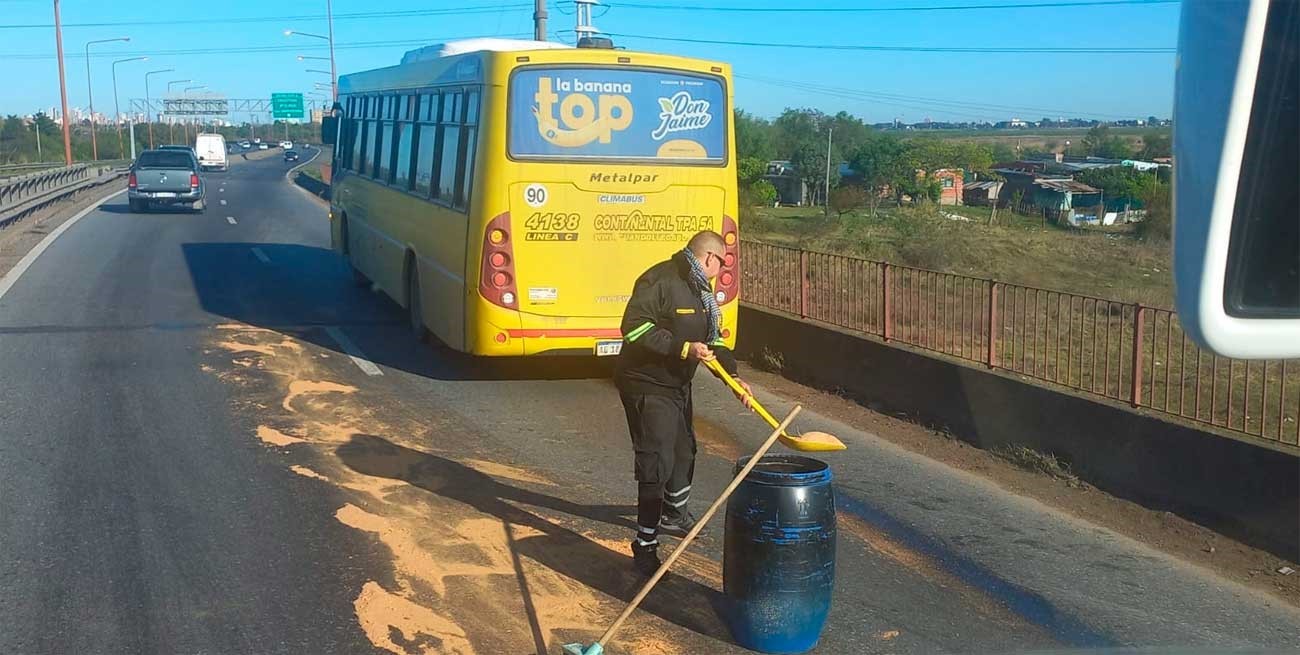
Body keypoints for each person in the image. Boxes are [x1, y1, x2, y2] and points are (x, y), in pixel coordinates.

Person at [614, 230, 751, 576]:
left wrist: (733, 378)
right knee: (656, 459)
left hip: (677, 384)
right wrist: (683, 348)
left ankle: (674, 515)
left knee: (684, 450)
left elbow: (714, 341)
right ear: (709, 258)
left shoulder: (702, 293)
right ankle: (645, 543)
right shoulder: (659, 280)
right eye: (723, 263)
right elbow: (631, 329)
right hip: (646, 382)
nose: (722, 270)